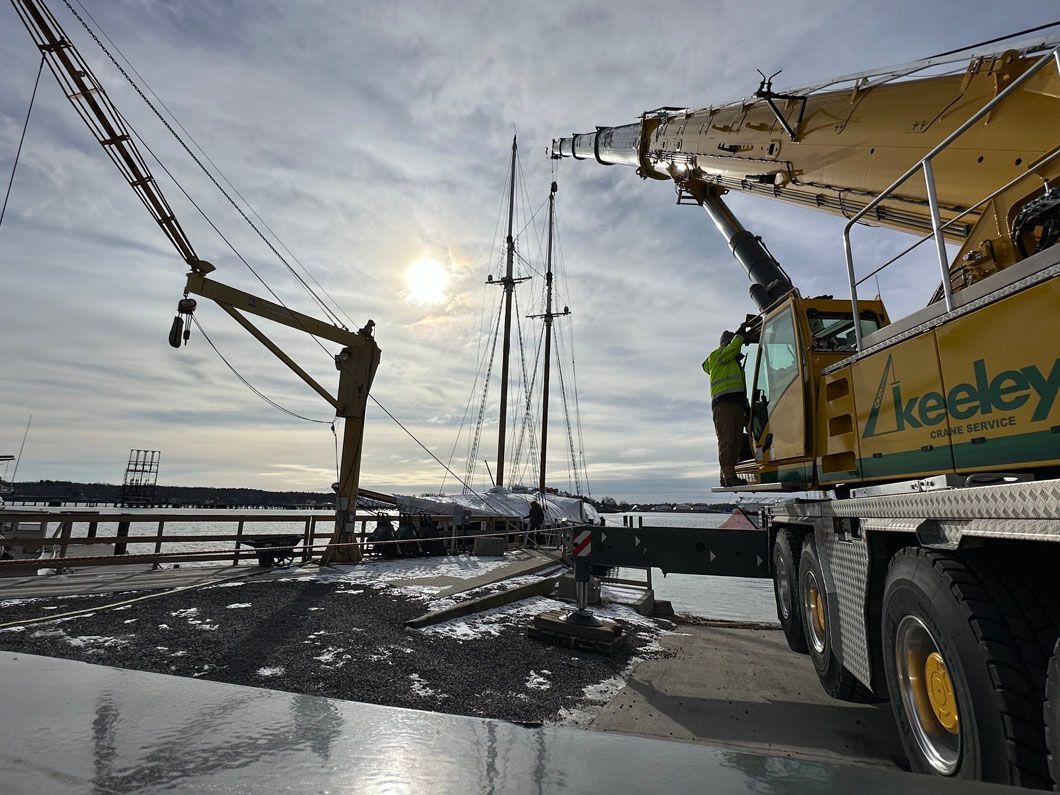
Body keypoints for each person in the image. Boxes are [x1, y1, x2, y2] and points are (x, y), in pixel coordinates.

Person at [702, 325, 749, 487]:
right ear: (725, 344)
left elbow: (742, 388)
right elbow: (732, 348)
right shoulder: (716, 356)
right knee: (726, 441)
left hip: (737, 404)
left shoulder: (734, 363)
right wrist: (740, 335)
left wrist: (746, 406)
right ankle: (729, 477)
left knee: (736, 443)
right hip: (723, 405)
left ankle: (727, 476)